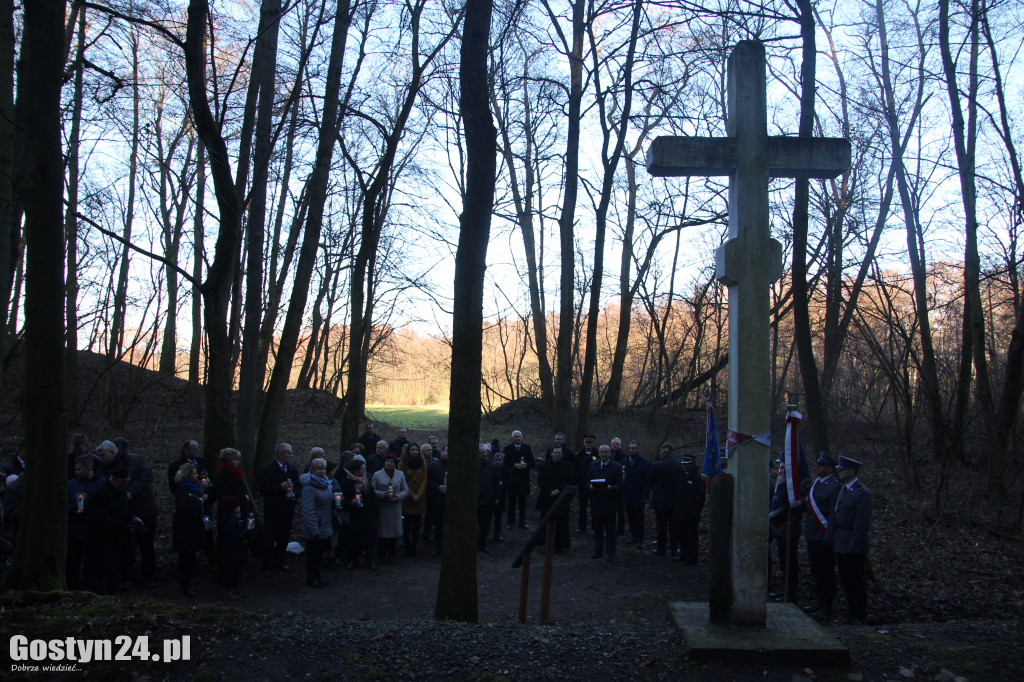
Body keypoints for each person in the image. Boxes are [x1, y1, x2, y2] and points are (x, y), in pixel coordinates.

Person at [101, 438, 158, 587]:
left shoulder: (136, 460)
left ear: (113, 452)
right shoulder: (104, 468)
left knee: (146, 545)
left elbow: (147, 476)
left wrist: (132, 492)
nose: (101, 459)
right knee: (126, 546)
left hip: (144, 509)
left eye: (103, 455)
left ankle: (148, 576)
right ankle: (125, 575)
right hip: (123, 512)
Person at [825, 456, 873, 624]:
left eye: (842, 470)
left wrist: (855, 544)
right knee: (846, 579)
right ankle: (851, 613)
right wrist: (830, 538)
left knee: (855, 581)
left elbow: (862, 523)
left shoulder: (861, 493)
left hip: (852, 541)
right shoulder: (842, 490)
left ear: (852, 472)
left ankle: (859, 615)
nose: (840, 472)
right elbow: (835, 515)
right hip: (841, 540)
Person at [83, 465, 138, 594]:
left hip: (116, 541)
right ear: (115, 478)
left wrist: (132, 518)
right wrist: (123, 525)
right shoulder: (100, 494)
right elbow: (99, 518)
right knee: (100, 575)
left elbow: (124, 510)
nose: (124, 485)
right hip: (101, 543)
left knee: (114, 573)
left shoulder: (120, 492)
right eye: (123, 482)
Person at [804, 453, 842, 619]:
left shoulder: (835, 487)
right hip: (812, 533)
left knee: (826, 571)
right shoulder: (816, 484)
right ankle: (818, 601)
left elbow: (833, 514)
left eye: (821, 465)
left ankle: (827, 605)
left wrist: (829, 535)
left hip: (823, 534)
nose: (818, 467)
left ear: (829, 468)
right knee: (815, 570)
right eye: (818, 464)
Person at [260, 442, 300, 577]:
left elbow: (299, 488)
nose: (291, 455)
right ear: (280, 454)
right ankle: (267, 564)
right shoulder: (268, 470)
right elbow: (264, 489)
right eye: (288, 453)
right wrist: (280, 487)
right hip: (272, 510)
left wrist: (295, 495)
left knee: (284, 537)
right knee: (270, 538)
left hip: (287, 509)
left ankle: (280, 561)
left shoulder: (293, 470)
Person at [67, 453, 105, 588]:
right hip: (74, 529)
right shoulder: (70, 484)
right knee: (72, 561)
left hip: (94, 529)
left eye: (78, 469)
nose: (75, 472)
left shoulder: (102, 484)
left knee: (93, 562)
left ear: (88, 468)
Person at [172, 463, 209, 596]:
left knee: (190, 557)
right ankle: (184, 584)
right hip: (185, 528)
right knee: (185, 557)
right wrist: (198, 502)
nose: (197, 476)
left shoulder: (195, 488)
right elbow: (183, 509)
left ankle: (188, 583)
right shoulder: (182, 490)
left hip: (194, 526)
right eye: (194, 473)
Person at [339, 455, 378, 570]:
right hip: (354, 514)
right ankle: (353, 559)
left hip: (367, 513)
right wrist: (351, 502)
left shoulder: (368, 480)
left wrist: (376, 513)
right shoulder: (346, 482)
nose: (364, 471)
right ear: (356, 471)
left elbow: (373, 497)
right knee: (354, 538)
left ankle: (371, 559)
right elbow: (341, 500)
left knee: (369, 538)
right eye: (362, 469)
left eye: (365, 469)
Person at [299, 457, 333, 588]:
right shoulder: (308, 487)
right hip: (315, 525)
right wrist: (314, 528)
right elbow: (308, 510)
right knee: (312, 554)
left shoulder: (325, 483)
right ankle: (311, 577)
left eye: (324, 469)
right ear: (312, 470)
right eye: (319, 469)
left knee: (320, 553)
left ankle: (319, 574)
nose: (322, 471)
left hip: (325, 523)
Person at [372, 453, 408, 564]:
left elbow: (405, 490)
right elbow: (373, 490)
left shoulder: (400, 474)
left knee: (393, 534)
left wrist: (398, 496)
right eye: (387, 461)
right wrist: (383, 494)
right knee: (382, 533)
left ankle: (392, 555)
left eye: (391, 461)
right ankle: (381, 555)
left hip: (394, 507)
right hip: (383, 507)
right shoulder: (377, 474)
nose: (389, 463)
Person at [537, 444, 573, 553]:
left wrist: (559, 490)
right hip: (547, 497)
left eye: (559, 453)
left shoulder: (568, 466)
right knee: (545, 523)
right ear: (551, 453)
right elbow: (540, 481)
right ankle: (545, 545)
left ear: (562, 455)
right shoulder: (544, 465)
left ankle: (560, 546)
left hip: (561, 498)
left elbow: (570, 480)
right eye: (555, 452)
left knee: (561, 523)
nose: (557, 455)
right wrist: (550, 490)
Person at [588, 444, 623, 560]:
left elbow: (620, 484)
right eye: (602, 452)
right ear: (598, 453)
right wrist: (590, 486)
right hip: (596, 502)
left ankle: (610, 553)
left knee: (610, 531)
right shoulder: (593, 465)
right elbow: (587, 480)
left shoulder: (617, 466)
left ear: (610, 453)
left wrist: (611, 488)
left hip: (610, 503)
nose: (604, 454)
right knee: (597, 530)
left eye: (606, 452)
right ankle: (598, 551)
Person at [648, 447, 683, 556]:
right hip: (675, 500)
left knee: (661, 526)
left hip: (660, 500)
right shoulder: (679, 465)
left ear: (662, 455)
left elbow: (650, 482)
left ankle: (661, 549)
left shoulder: (656, 466)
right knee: (674, 526)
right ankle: (674, 548)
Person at [672, 454, 705, 565]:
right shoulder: (682, 476)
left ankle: (692, 557)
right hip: (680, 511)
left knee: (691, 536)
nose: (683, 466)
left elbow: (699, 497)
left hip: (691, 512)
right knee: (682, 535)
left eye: (685, 464)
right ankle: (683, 554)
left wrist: (695, 512)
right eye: (683, 464)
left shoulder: (697, 478)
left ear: (691, 465)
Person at [399, 443, 427, 556]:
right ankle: (406, 545)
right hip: (407, 497)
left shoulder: (422, 463)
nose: (414, 452)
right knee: (407, 524)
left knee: (417, 524)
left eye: (416, 450)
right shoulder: (402, 464)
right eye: (412, 450)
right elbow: (402, 481)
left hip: (420, 498)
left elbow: (425, 479)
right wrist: (411, 494)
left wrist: (419, 494)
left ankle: (414, 545)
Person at [502, 430, 535, 529]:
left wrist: (527, 465)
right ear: (512, 438)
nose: (518, 438)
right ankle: (510, 522)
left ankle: (522, 522)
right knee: (511, 502)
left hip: (523, 479)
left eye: (519, 436)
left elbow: (532, 462)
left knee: (523, 503)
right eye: (516, 437)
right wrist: (514, 465)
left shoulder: (527, 448)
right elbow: (505, 463)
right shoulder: (507, 449)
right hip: (512, 479)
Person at [217, 496, 248, 599]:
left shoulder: (235, 519)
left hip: (237, 550)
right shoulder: (230, 522)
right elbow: (234, 537)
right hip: (232, 551)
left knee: (236, 570)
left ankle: (235, 587)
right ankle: (229, 589)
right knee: (231, 571)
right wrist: (245, 533)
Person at [621, 440, 651, 549]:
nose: (631, 450)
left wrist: (645, 495)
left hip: (639, 495)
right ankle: (633, 536)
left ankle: (640, 539)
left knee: (639, 518)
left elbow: (647, 481)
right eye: (630, 448)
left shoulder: (645, 463)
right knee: (630, 517)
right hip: (628, 493)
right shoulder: (625, 461)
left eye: (634, 448)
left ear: (638, 449)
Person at [477, 443, 501, 553]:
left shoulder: (492, 466)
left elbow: (496, 483)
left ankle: (482, 544)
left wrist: (496, 497)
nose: (485, 454)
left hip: (487, 499)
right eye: (482, 453)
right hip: (475, 500)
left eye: (485, 452)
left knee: (485, 524)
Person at [426, 445, 448, 555]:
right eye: (446, 451)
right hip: (438, 500)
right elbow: (428, 482)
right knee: (438, 525)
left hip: (452, 501)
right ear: (442, 452)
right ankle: (439, 546)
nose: (448, 454)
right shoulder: (433, 466)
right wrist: (437, 487)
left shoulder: (457, 465)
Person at [573, 434, 598, 533]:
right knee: (582, 506)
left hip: (594, 484)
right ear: (583, 443)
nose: (588, 444)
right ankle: (582, 527)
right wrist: (576, 483)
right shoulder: (579, 455)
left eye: (590, 442)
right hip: (582, 484)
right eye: (586, 442)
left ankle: (595, 527)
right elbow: (575, 470)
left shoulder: (597, 454)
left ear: (593, 443)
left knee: (594, 506)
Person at [609, 437, 627, 535]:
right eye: (613, 444)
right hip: (610, 486)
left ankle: (620, 531)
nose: (615, 445)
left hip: (620, 487)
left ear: (620, 445)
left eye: (616, 444)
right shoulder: (608, 455)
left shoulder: (624, 457)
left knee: (620, 512)